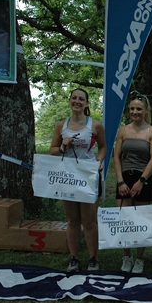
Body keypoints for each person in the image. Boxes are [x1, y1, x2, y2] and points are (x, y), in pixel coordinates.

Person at [50, 88, 106, 272]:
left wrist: (99, 161)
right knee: (72, 220)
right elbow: (53, 149)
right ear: (69, 101)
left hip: (89, 177)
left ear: (87, 103)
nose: (77, 101)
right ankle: (74, 258)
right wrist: (62, 147)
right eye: (74, 98)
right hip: (68, 177)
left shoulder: (95, 125)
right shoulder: (61, 125)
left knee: (89, 221)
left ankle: (93, 258)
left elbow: (104, 147)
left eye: (81, 99)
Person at [113, 93, 152, 273]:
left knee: (141, 221)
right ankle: (127, 256)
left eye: (139, 108)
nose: (135, 112)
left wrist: (141, 181)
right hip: (124, 179)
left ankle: (139, 258)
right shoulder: (123, 130)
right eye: (132, 108)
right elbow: (116, 157)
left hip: (143, 179)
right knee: (125, 221)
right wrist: (120, 181)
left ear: (145, 110)